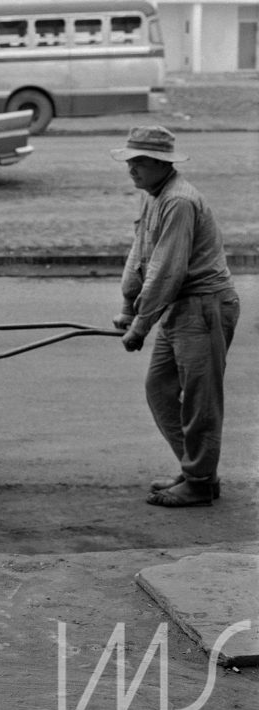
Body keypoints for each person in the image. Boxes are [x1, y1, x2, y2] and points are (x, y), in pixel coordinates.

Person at [110, 125, 239, 508]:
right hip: (179, 306)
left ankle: (199, 482)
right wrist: (128, 307)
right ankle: (198, 470)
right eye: (130, 161)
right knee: (160, 389)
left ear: (162, 164)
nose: (131, 169)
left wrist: (140, 326)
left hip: (203, 306)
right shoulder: (153, 196)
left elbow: (167, 270)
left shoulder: (179, 201)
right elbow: (140, 255)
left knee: (201, 400)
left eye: (140, 162)